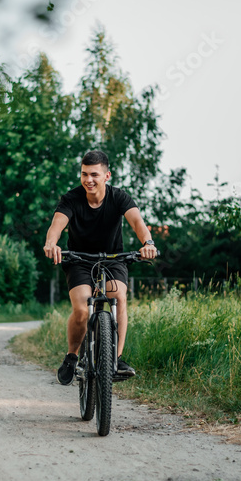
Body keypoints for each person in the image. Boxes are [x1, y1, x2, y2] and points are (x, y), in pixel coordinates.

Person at [43, 149, 158, 385]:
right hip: (79, 260)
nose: (88, 180)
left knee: (119, 296)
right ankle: (72, 356)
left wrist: (148, 243)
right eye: (84, 174)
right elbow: (57, 225)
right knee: (84, 308)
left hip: (113, 258)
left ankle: (116, 359)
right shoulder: (72, 199)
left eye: (94, 174)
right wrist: (51, 244)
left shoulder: (119, 198)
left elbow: (137, 222)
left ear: (107, 176)